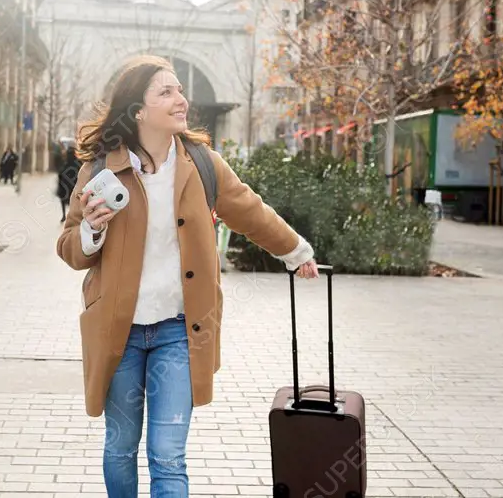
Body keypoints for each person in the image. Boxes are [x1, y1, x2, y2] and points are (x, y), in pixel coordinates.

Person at [55, 55, 319, 497]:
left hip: (179, 330)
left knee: (167, 456)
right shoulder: (100, 170)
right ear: (139, 110)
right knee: (121, 447)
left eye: (179, 90)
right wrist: (91, 230)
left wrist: (295, 250)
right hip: (118, 331)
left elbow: (250, 211)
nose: (182, 99)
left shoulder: (202, 164)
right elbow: (69, 250)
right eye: (167, 92)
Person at [57, 146, 82, 222]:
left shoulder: (65, 162)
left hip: (65, 186)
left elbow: (60, 173)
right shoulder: (78, 163)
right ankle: (71, 215)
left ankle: (64, 215)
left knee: (63, 200)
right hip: (74, 185)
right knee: (74, 201)